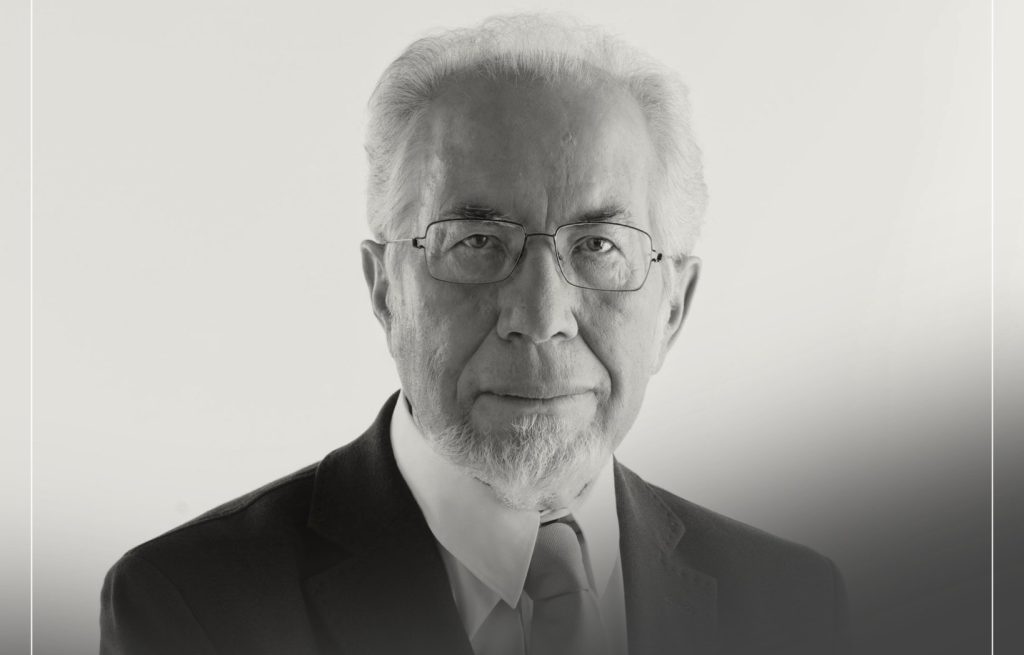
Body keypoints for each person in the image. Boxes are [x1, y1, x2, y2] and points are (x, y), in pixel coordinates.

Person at [100, 14, 847, 655]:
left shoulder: (793, 603)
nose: (541, 315)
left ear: (673, 307)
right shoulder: (193, 607)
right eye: (477, 242)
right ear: (385, 289)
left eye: (599, 245)